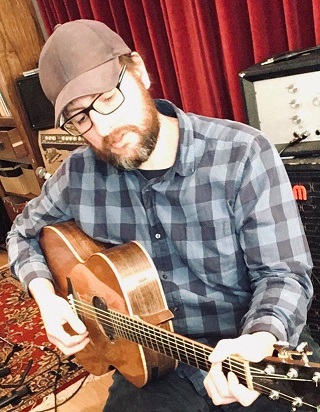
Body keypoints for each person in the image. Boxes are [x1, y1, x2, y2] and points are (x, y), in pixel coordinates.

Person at [6, 19, 319, 412]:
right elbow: (22, 233)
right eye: (80, 118)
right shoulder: (77, 175)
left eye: (106, 98)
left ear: (139, 71)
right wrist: (47, 297)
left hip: (252, 350)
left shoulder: (241, 152)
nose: (103, 127)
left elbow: (283, 274)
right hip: (148, 361)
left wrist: (258, 338)